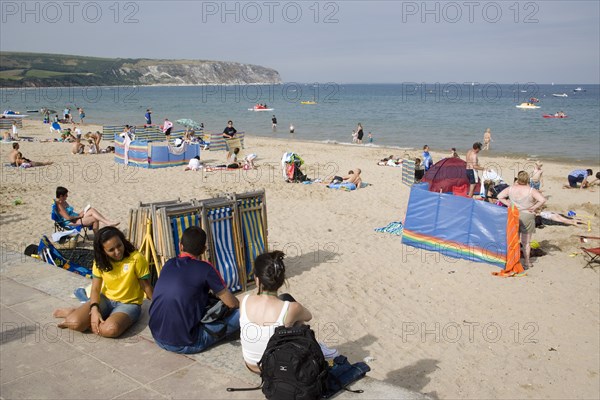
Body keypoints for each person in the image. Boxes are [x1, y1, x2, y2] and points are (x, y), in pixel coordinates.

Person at [240, 251, 337, 373]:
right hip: (275, 368)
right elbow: (308, 317)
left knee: (286, 303)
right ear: (281, 280)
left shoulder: (244, 300)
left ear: (257, 279)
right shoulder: (291, 308)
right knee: (299, 323)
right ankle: (320, 349)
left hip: (250, 365)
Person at [149, 226, 240, 354]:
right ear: (203, 250)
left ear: (180, 246)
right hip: (186, 343)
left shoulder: (168, 264)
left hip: (157, 336)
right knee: (241, 315)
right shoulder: (206, 269)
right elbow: (232, 303)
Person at [52, 227, 153, 337]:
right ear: (103, 251)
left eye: (119, 245)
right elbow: (95, 288)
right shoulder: (100, 262)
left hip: (129, 304)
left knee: (110, 330)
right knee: (74, 323)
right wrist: (94, 309)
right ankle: (76, 313)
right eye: (111, 250)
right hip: (106, 299)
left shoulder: (136, 258)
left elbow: (146, 286)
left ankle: (88, 319)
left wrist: (158, 306)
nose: (118, 251)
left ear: (123, 241)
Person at [497, 171, 546, 269]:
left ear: (518, 179)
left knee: (513, 240)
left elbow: (499, 196)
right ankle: (527, 262)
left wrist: (509, 204)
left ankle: (511, 260)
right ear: (528, 180)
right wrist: (534, 207)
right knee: (526, 242)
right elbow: (543, 200)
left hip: (514, 214)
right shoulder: (531, 190)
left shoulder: (511, 188)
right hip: (527, 214)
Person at [54, 186, 120, 234]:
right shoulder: (59, 205)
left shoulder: (63, 201)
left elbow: (70, 213)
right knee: (94, 219)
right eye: (66, 195)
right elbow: (68, 218)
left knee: (91, 209)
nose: (67, 196)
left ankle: (107, 222)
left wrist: (79, 214)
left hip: (75, 217)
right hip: (70, 222)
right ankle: (97, 237)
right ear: (61, 196)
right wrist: (79, 216)